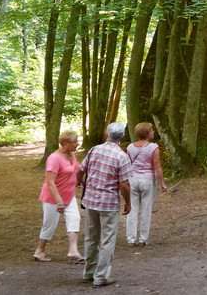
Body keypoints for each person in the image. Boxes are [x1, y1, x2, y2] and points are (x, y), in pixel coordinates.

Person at [78, 122, 132, 288]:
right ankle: (101, 277)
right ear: (122, 136)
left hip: (91, 200)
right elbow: (124, 183)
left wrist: (79, 181)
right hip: (108, 203)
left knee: (91, 237)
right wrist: (128, 202)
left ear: (106, 134)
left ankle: (88, 272)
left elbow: (81, 169)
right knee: (107, 240)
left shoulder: (94, 150)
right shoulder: (122, 156)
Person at [33, 130, 83, 262]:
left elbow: (75, 169)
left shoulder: (71, 155)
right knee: (49, 224)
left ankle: (73, 250)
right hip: (53, 198)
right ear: (65, 143)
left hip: (69, 194)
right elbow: (50, 182)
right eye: (75, 142)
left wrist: (77, 181)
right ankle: (40, 251)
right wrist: (59, 202)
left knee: (74, 219)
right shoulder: (54, 159)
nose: (77, 144)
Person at [125, 122, 167, 247]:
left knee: (132, 210)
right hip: (147, 180)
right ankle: (143, 238)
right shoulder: (153, 147)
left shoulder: (130, 147)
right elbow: (157, 165)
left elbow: (127, 164)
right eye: (152, 130)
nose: (153, 132)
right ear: (147, 133)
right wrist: (162, 182)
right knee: (146, 210)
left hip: (133, 179)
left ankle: (131, 239)